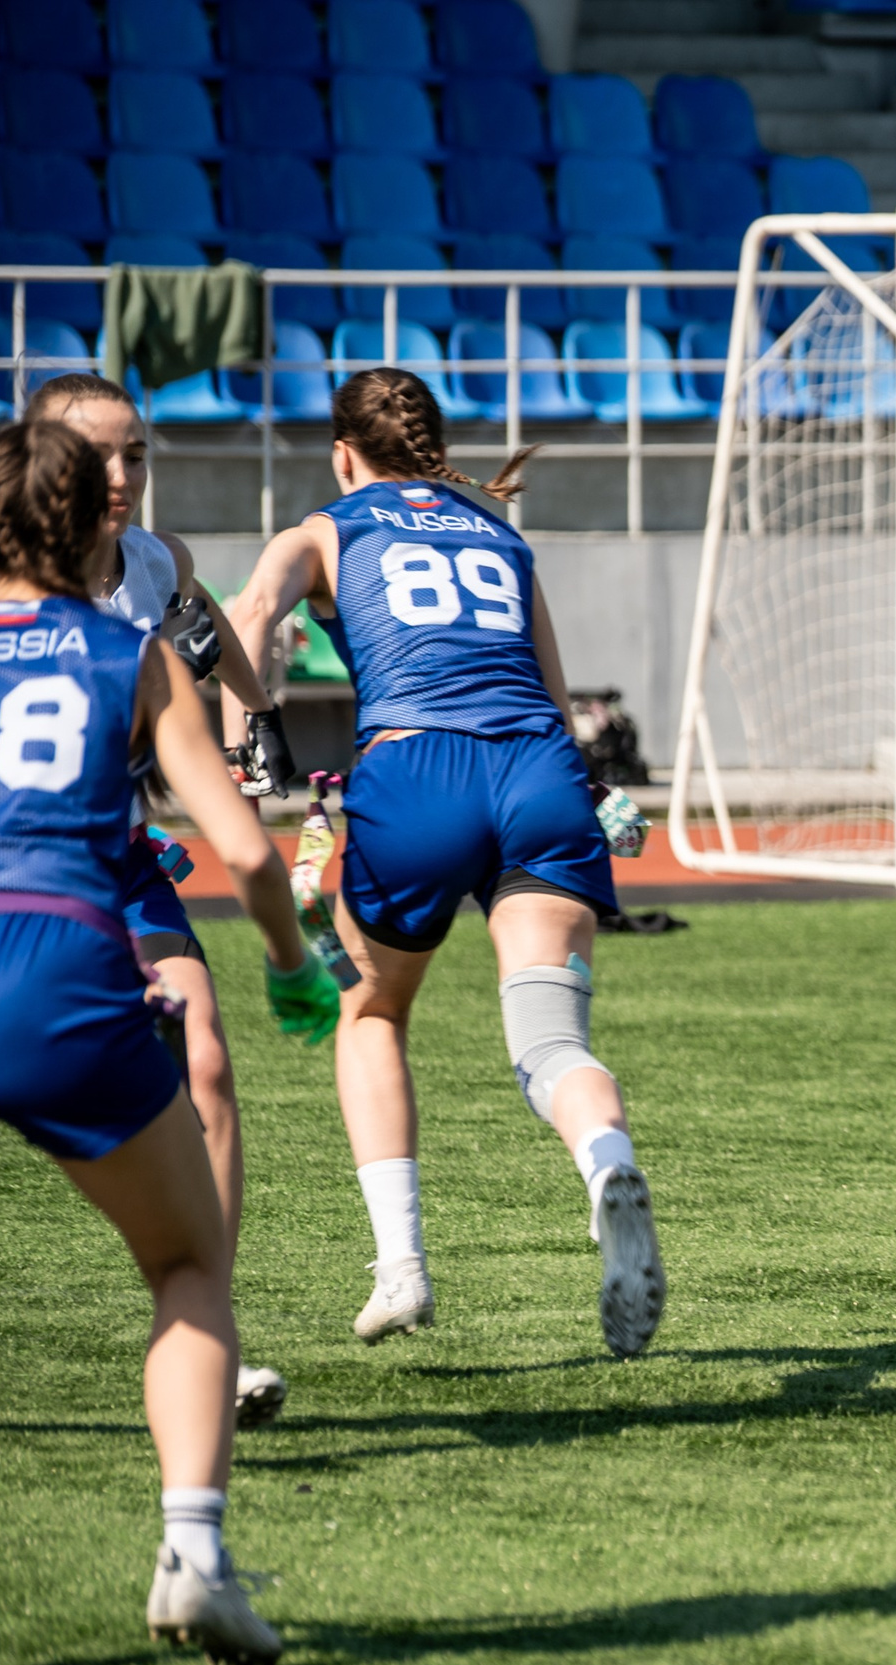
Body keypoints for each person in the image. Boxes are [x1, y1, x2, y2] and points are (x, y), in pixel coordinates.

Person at [0, 422, 339, 1665]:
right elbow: (244, 849)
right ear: (97, 523)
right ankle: (192, 1552)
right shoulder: (126, 650)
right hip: (56, 962)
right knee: (188, 1260)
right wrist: (294, 970)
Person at [223, 369, 665, 1359]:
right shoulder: (500, 534)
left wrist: (246, 754)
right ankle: (607, 1164)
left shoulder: (325, 529)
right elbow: (552, 693)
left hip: (415, 771)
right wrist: (590, 792)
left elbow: (243, 615)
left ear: (343, 454)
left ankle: (403, 1269)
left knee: (371, 1011)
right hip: (538, 775)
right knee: (551, 1041)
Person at [0, 374, 302, 1430]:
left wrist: (255, 712)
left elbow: (204, 618)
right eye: (98, 454)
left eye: (135, 452)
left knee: (208, 1061)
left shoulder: (156, 559)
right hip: (5, 882)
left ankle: (208, 1330)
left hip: (120, 862)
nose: (122, 474)